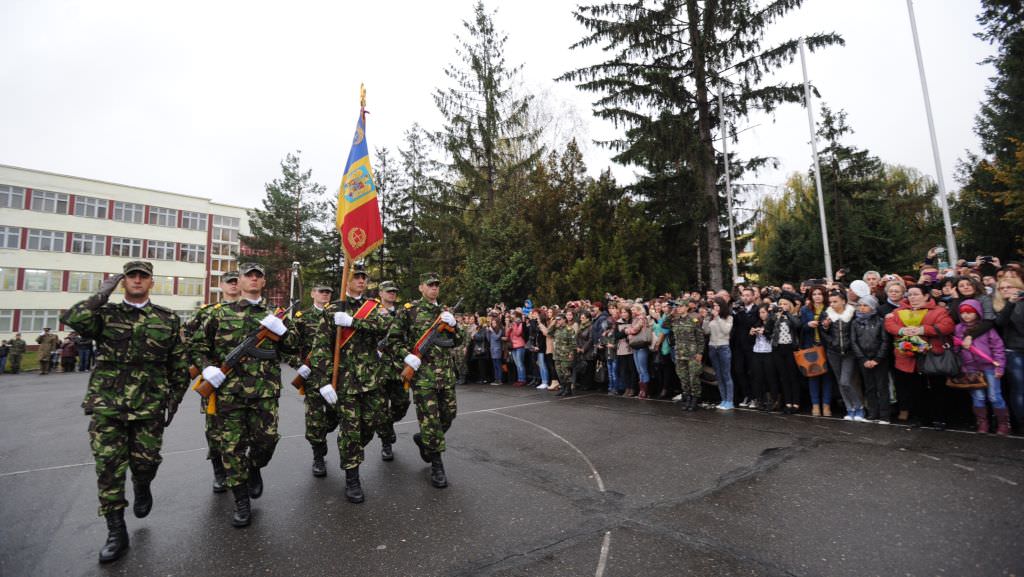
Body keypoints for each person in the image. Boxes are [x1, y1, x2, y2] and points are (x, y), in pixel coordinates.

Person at [61, 261, 189, 563]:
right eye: (132, 275)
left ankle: (142, 484)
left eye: (143, 276)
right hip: (107, 404)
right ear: (123, 281)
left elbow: (179, 363)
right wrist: (100, 295)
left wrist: (175, 398)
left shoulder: (167, 319)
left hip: (150, 404)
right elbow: (72, 318)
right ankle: (116, 531)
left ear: (151, 283)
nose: (137, 280)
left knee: (146, 462)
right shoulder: (104, 315)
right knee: (108, 468)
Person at [188, 262, 297, 527]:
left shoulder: (276, 315)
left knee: (267, 440)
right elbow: (195, 345)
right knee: (232, 447)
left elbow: (295, 347)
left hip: (264, 391)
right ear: (240, 280)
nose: (253, 279)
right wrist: (208, 367)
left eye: (258, 276)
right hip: (229, 393)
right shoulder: (218, 314)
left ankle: (255, 467)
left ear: (263, 282)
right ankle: (241, 501)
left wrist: (283, 332)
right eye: (248, 276)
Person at [308, 264, 388, 502]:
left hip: (371, 379)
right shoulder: (332, 309)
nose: (362, 280)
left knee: (371, 424)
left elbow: (385, 327)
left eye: (364, 277)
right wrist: (323, 381)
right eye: (357, 277)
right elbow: (320, 348)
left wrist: (354, 322)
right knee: (351, 430)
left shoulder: (373, 307)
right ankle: (352, 478)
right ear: (347, 280)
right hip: (344, 381)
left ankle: (349, 447)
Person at [394, 272, 463, 489]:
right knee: (431, 421)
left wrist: (455, 326)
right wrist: (408, 356)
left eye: (437, 285)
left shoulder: (445, 313)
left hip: (446, 375)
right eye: (430, 285)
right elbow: (392, 340)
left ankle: (425, 440)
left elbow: (457, 341)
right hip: (423, 377)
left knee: (449, 415)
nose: (434, 288)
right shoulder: (410, 311)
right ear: (421, 287)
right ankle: (436, 465)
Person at [183, 270, 241, 494]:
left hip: (245, 380)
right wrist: (204, 365)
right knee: (214, 431)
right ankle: (219, 472)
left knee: (244, 432)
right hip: (216, 380)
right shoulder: (208, 312)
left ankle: (241, 472)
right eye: (230, 282)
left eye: (237, 282)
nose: (234, 286)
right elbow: (188, 337)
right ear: (221, 285)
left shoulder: (252, 313)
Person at [884, 285, 955, 428]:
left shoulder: (939, 311)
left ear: (926, 296)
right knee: (916, 389)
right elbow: (889, 324)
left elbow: (947, 326)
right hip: (909, 357)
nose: (912, 297)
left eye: (916, 294)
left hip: (932, 356)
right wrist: (903, 330)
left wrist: (922, 329)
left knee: (937, 388)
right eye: (910, 295)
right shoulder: (899, 311)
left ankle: (940, 418)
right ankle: (923, 418)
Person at [290, 282, 339, 477]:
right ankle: (318, 455)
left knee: (336, 414)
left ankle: (321, 436)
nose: (325, 295)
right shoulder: (302, 318)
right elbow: (290, 346)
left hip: (335, 374)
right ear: (313, 294)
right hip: (312, 375)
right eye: (322, 291)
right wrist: (298, 365)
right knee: (315, 418)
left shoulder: (337, 316)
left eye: (328, 292)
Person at [955, 299, 1009, 435]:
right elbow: (955, 350)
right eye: (963, 313)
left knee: (994, 396)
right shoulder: (958, 329)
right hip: (970, 368)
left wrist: (1000, 367)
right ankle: (982, 422)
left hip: (990, 366)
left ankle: (1003, 423)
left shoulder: (987, 329)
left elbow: (998, 348)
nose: (966, 315)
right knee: (978, 397)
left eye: (970, 312)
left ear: (977, 313)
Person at [374, 280, 411, 461]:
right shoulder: (372, 311)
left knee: (402, 404)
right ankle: (386, 442)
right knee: (380, 410)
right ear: (381, 293)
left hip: (398, 368)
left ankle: (388, 425)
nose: (392, 294)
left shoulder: (404, 313)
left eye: (394, 291)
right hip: (378, 369)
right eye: (388, 291)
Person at [822, 289, 865, 421]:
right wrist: (825, 327)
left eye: (835, 301)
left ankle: (859, 407)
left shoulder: (852, 313)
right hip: (833, 352)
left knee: (845, 381)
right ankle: (849, 408)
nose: (832, 304)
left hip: (849, 352)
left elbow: (857, 331)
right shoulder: (827, 314)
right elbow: (823, 333)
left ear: (844, 301)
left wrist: (852, 345)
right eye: (831, 302)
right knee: (840, 382)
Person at [850, 295, 892, 423]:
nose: (862, 308)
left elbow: (885, 341)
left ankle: (885, 415)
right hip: (864, 359)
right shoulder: (855, 322)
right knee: (869, 387)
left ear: (873, 307)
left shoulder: (880, 321)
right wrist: (863, 359)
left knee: (882, 387)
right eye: (860, 305)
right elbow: (854, 341)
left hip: (879, 360)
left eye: (865, 305)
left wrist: (877, 359)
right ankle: (873, 413)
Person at [993, 275, 1024, 432]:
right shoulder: (1000, 306)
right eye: (1001, 288)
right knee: (1019, 389)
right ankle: (1021, 424)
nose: (1005, 290)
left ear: (1018, 288)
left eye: (1008, 287)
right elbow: (1001, 322)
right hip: (1013, 351)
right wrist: (1011, 303)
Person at [801, 286, 834, 417]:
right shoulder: (805, 309)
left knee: (827, 377)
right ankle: (815, 405)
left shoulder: (830, 309)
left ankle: (826, 405)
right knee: (813, 377)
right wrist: (807, 325)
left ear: (824, 295)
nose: (817, 296)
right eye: (814, 294)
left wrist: (826, 326)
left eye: (820, 294)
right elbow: (800, 327)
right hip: (811, 346)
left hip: (826, 346)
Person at [771, 293, 803, 413]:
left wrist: (787, 314)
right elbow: (769, 327)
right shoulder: (776, 316)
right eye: (780, 304)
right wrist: (774, 315)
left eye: (785, 304)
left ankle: (796, 403)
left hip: (791, 349)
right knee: (783, 377)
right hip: (778, 349)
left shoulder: (794, 316)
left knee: (793, 376)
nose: (782, 306)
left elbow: (797, 325)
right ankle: (788, 402)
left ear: (789, 305)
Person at [671, 299, 704, 411]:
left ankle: (695, 399)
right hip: (680, 354)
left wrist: (700, 352)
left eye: (680, 306)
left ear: (686, 307)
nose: (678, 308)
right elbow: (665, 325)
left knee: (693, 377)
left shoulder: (693, 320)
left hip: (692, 354)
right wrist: (671, 314)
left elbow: (700, 338)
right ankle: (687, 397)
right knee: (683, 378)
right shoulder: (675, 320)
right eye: (677, 306)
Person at [703, 297, 734, 410]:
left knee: (726, 374)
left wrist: (718, 318)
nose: (715, 308)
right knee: (719, 375)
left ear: (722, 306)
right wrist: (707, 319)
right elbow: (705, 331)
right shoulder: (711, 318)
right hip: (712, 347)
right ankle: (723, 399)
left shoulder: (728, 317)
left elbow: (726, 331)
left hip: (723, 347)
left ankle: (729, 401)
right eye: (714, 306)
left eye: (717, 305)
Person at [732, 287, 759, 407]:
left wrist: (741, 312)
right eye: (743, 295)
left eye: (748, 295)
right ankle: (747, 395)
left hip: (751, 345)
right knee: (739, 371)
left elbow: (750, 323)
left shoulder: (757, 309)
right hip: (738, 346)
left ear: (753, 297)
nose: (746, 297)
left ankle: (755, 397)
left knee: (753, 372)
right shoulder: (737, 310)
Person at [748, 304, 776, 411]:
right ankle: (759, 398)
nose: (761, 315)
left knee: (770, 376)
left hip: (769, 352)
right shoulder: (757, 323)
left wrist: (765, 332)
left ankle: (772, 399)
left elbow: (773, 337)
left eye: (764, 312)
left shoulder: (773, 323)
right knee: (758, 377)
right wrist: (751, 334)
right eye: (760, 312)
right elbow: (750, 341)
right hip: (757, 352)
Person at [551, 313, 576, 397]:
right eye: (557, 319)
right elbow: (549, 333)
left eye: (559, 319)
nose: (558, 321)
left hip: (565, 355)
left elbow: (573, 344)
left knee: (566, 373)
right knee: (559, 373)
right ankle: (563, 388)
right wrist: (553, 324)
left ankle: (568, 389)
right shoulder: (557, 329)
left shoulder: (569, 329)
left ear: (564, 320)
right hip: (557, 354)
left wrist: (571, 353)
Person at [505, 311, 527, 386]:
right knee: (517, 364)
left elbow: (518, 333)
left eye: (513, 314)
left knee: (520, 363)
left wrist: (514, 325)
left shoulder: (519, 323)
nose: (511, 316)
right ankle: (519, 379)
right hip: (513, 346)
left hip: (520, 345)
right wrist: (508, 326)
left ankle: (522, 379)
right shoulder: (512, 323)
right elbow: (507, 335)